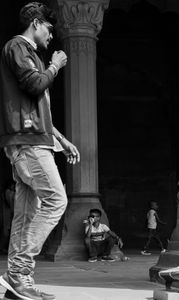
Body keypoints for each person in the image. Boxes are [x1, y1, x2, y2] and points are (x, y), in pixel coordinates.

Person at [0, 2, 80, 300]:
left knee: (25, 213)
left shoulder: (29, 54)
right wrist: (55, 65)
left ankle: (19, 283)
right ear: (36, 23)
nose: (51, 36)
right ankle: (18, 272)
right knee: (56, 201)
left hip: (33, 140)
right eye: (49, 28)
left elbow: (37, 106)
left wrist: (63, 140)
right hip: (28, 142)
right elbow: (35, 85)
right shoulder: (17, 47)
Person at [0, 179, 15, 254]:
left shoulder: (8, 192)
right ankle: (2, 247)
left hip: (7, 213)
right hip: (7, 213)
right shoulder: (9, 193)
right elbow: (11, 204)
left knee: (6, 231)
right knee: (6, 231)